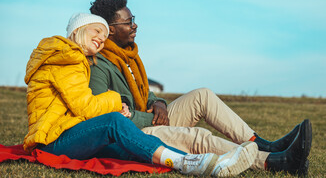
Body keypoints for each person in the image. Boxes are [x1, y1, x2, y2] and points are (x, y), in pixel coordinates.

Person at [89, 0, 313, 176]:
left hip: (153, 120)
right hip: (137, 133)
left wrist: (158, 103)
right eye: (128, 22)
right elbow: (107, 115)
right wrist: (152, 118)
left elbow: (143, 91)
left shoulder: (129, 57)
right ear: (109, 28)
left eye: (133, 18)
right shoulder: (99, 64)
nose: (135, 25)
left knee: (202, 95)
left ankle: (265, 145)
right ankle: (275, 161)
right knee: (198, 136)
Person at [23, 13, 259, 177]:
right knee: (114, 122)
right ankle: (188, 161)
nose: (101, 40)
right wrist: (116, 103)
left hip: (67, 131)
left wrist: (155, 102)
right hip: (53, 140)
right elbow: (85, 107)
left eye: (104, 37)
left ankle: (247, 151)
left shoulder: (74, 59)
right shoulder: (68, 59)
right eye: (96, 31)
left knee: (122, 145)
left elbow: (81, 106)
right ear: (78, 30)